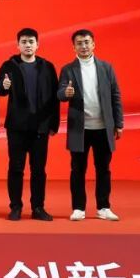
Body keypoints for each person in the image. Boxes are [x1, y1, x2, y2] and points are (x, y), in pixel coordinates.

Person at [58, 29, 124, 221]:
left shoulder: (106, 68)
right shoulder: (68, 69)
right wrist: (65, 94)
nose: (84, 46)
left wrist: (118, 123)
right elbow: (59, 93)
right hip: (80, 129)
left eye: (87, 42)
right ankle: (78, 208)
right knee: (77, 169)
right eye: (79, 43)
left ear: (93, 44)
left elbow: (115, 96)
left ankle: (103, 207)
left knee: (103, 169)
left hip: (103, 127)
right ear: (74, 47)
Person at [0, 27, 60, 222]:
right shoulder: (9, 65)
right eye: (24, 42)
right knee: (16, 168)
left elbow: (55, 97)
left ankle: (38, 207)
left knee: (38, 170)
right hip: (17, 127)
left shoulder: (47, 67)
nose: (28, 45)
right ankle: (15, 207)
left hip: (40, 126)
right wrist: (3, 86)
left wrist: (53, 124)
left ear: (37, 44)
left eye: (31, 42)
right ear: (18, 45)